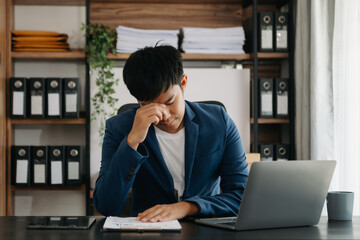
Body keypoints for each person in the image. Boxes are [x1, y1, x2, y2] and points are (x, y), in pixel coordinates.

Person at [93, 45, 249, 222]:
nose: (164, 116)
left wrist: (187, 207)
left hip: (206, 228)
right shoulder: (119, 128)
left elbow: (242, 197)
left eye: (169, 102)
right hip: (148, 230)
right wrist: (131, 143)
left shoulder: (219, 122)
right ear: (138, 100)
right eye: (148, 105)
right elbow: (106, 205)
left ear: (183, 83)